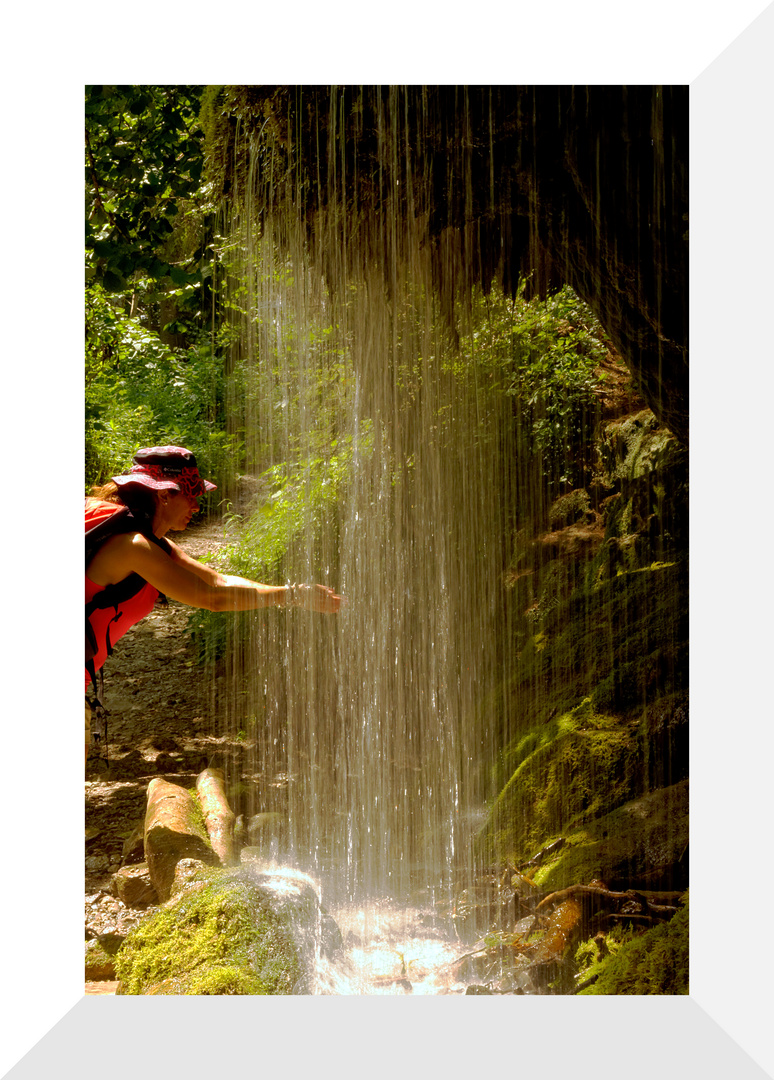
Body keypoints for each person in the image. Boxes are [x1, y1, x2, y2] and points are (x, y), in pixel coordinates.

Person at [85, 445, 342, 763]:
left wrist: (291, 591)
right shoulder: (134, 546)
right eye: (191, 495)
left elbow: (217, 581)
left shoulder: (144, 539)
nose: (197, 505)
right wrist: (290, 596)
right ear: (164, 494)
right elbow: (213, 599)